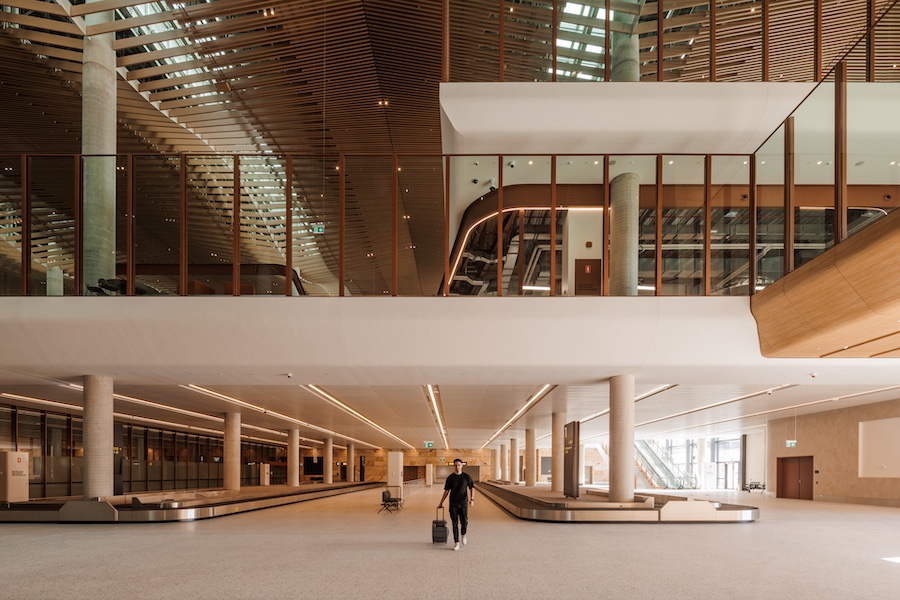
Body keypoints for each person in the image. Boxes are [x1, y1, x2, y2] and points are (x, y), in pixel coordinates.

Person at [437, 458, 474, 551]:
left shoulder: (466, 477)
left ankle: (463, 534)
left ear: (462, 465)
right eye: (456, 465)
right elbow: (446, 491)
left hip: (463, 503)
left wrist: (472, 499)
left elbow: (471, 488)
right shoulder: (450, 478)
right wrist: (441, 502)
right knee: (454, 523)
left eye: (459, 465)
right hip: (453, 503)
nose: (457, 467)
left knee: (464, 522)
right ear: (454, 466)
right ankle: (456, 542)